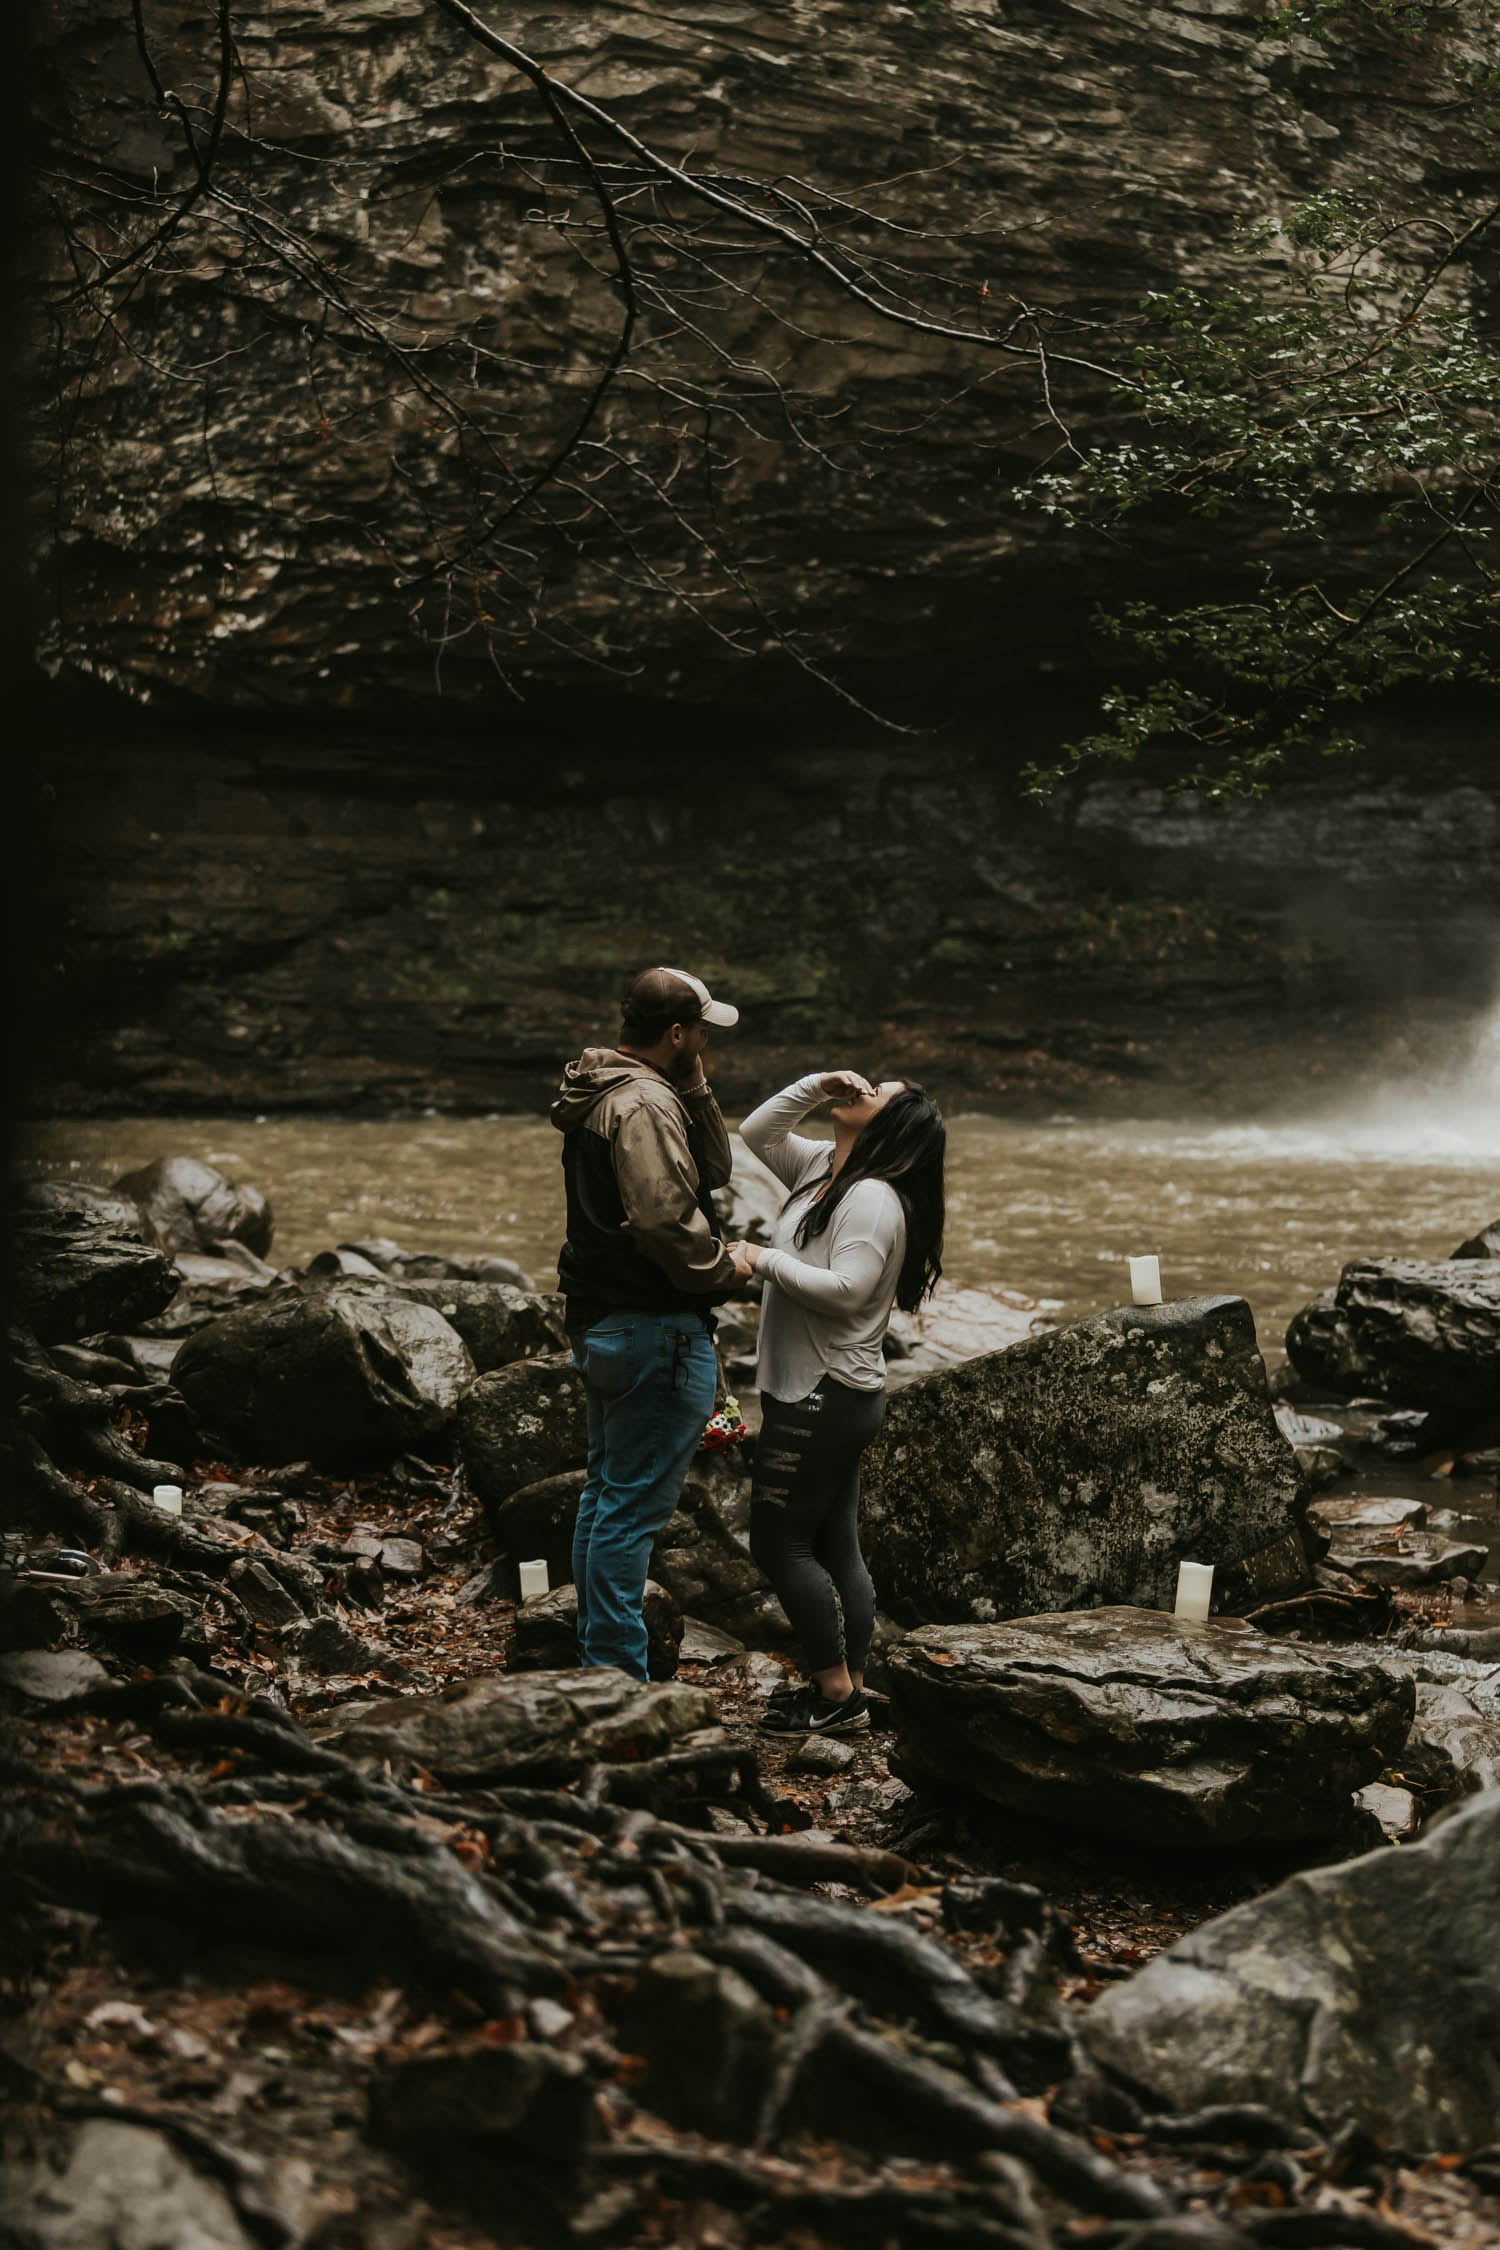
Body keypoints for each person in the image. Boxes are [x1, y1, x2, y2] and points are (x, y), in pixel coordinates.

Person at [731, 1069, 946, 1734]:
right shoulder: (825, 1165)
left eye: (881, 1090)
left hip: (822, 1394)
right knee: (834, 1543)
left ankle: (833, 1694)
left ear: (891, 1124)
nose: (867, 1084)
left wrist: (760, 1259)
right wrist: (815, 1086)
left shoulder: (874, 1198)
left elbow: (848, 1289)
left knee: (777, 1543)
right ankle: (850, 1685)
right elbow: (755, 1132)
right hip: (826, 1392)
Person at [551, 966, 741, 1681]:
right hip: (652, 1328)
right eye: (698, 1032)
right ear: (676, 1034)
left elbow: (714, 1170)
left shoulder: (609, 1091)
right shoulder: (642, 1106)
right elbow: (666, 1218)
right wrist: (726, 1268)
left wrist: (695, 1085)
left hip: (604, 1323)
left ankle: (598, 1662)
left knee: (607, 1498)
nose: (703, 1042)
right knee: (628, 1513)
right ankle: (617, 1679)